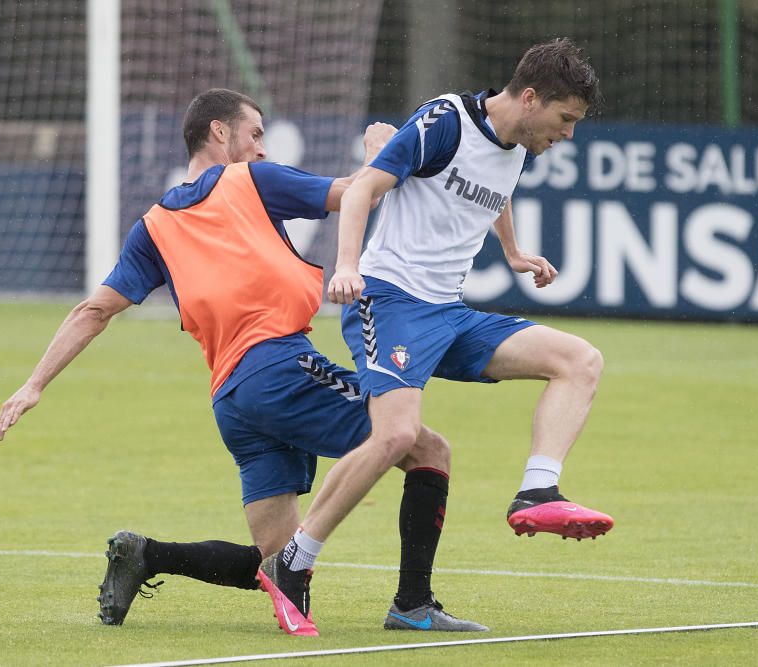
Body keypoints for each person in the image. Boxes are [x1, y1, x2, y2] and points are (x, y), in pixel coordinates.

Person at [0, 88, 486, 636]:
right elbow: (360, 193)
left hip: (232, 398)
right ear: (219, 134)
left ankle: (146, 555)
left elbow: (95, 310)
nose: (262, 149)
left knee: (275, 565)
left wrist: (33, 385)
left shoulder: (153, 225)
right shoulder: (250, 179)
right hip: (279, 369)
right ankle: (413, 604)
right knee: (426, 448)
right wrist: (382, 151)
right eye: (255, 135)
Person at [256, 38, 616, 633]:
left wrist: (514, 250)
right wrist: (347, 266)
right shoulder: (445, 121)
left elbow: (492, 190)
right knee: (396, 434)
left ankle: (531, 496)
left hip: (447, 313)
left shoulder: (519, 144)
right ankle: (294, 562)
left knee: (579, 359)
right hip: (389, 300)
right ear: (529, 98)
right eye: (565, 119)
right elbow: (367, 188)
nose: (568, 134)